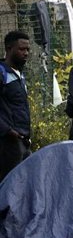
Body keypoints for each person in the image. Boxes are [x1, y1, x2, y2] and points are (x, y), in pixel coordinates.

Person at [0, 31, 32, 184]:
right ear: (8, 48)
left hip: (23, 140)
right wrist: (8, 131)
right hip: (7, 143)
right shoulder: (2, 73)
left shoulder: (20, 75)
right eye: (21, 49)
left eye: (27, 50)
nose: (25, 53)